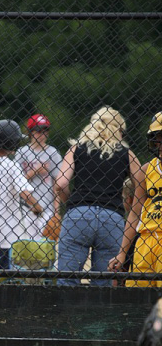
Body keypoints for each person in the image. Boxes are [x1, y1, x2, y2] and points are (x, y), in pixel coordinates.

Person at [55, 106, 141, 286]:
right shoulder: (127, 154)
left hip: (78, 214)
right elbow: (142, 183)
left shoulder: (76, 149)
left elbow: (61, 183)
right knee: (104, 283)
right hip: (112, 216)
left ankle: (65, 313)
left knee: (67, 279)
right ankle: (99, 314)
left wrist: (71, 202)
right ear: (118, 130)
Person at [0, 119, 43, 269]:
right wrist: (37, 208)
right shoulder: (11, 165)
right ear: (11, 142)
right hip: (9, 233)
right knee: (7, 271)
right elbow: (25, 193)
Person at [109, 112, 162, 287]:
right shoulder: (147, 169)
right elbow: (134, 213)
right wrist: (122, 253)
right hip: (145, 241)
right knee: (138, 296)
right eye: (157, 137)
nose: (159, 143)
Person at [15, 114, 62, 241]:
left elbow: (57, 183)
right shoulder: (22, 153)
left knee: (46, 247)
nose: (42, 135)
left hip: (47, 208)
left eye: (45, 130)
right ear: (30, 132)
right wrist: (35, 171)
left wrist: (57, 212)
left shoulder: (53, 153)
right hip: (26, 207)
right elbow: (16, 182)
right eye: (38, 131)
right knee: (27, 244)